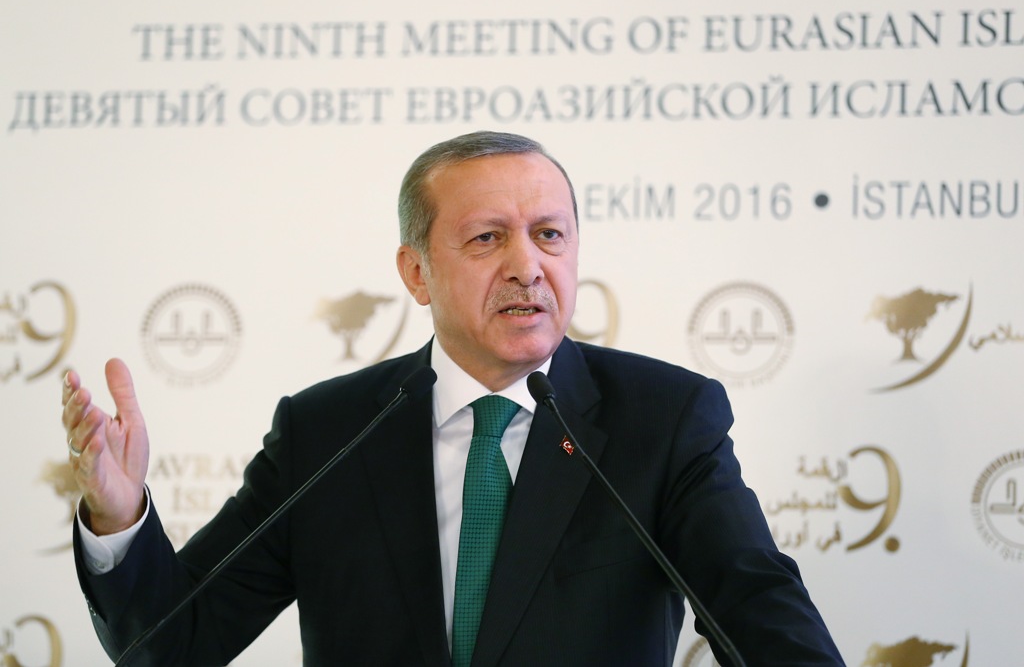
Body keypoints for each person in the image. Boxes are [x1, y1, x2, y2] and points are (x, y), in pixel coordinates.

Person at [62, 131, 843, 666]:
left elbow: (759, 608)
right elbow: (171, 643)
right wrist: (120, 520)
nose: (528, 266)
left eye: (550, 234)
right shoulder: (327, 431)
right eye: (486, 238)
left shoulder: (662, 418)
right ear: (414, 271)